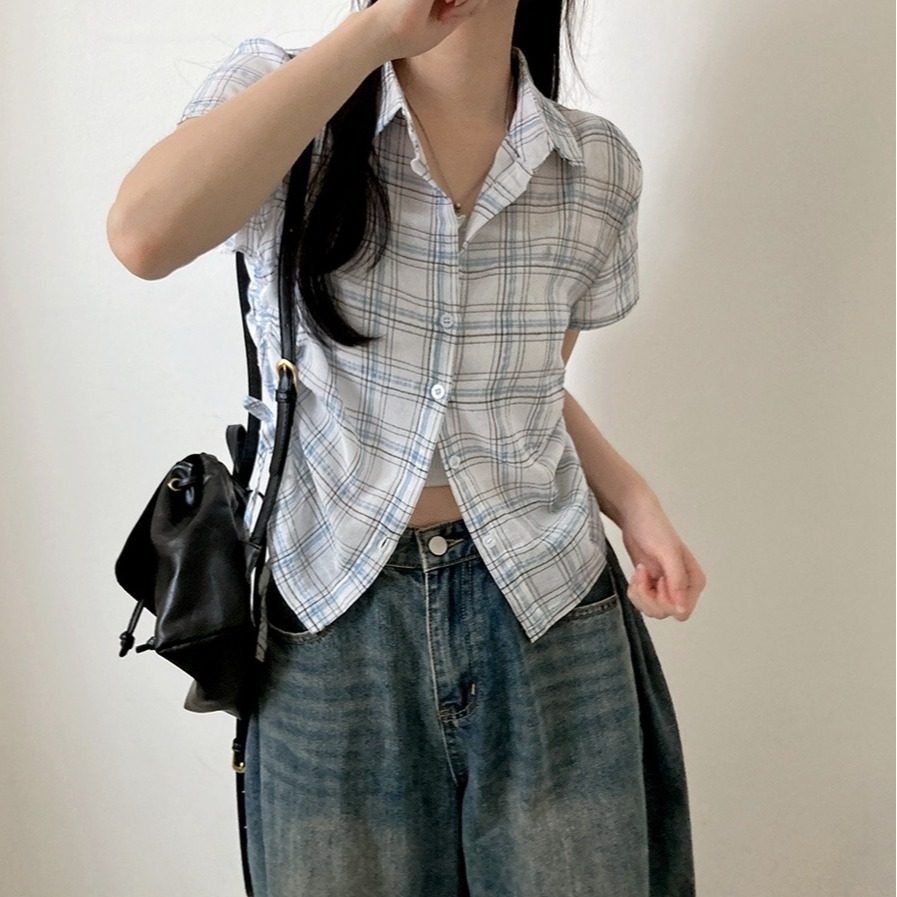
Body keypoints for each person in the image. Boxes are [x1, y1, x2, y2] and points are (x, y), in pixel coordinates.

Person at [107, 0, 706, 894]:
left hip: (546, 600)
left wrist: (632, 497)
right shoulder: (287, 96)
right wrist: (377, 34)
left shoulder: (595, 165)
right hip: (329, 608)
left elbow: (518, 390)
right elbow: (142, 237)